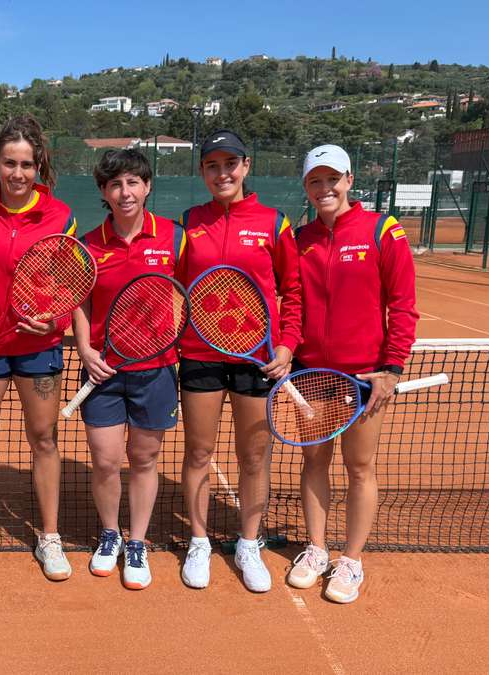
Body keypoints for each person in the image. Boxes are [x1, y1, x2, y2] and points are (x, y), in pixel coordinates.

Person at [287, 144, 418, 603]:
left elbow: (402, 305)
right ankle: (317, 548)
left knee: (360, 468)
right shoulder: (299, 239)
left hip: (365, 375)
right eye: (315, 181)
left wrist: (391, 368)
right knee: (314, 461)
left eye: (332, 179)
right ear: (307, 187)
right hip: (311, 372)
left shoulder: (383, 229)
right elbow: (292, 302)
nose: (325, 188)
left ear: (349, 179)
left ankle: (352, 560)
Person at [176, 129, 302, 592]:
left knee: (254, 456)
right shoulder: (189, 222)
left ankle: (249, 543)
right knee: (199, 453)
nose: (222, 172)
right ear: (203, 172)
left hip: (258, 358)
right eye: (212, 165)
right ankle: (198, 541)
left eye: (230, 164)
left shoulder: (274, 223)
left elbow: (294, 291)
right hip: (199, 355)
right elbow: (170, 285)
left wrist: (287, 345)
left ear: (246, 166)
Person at [0, 115, 76, 582]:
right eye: (10, 163)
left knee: (43, 439)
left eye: (27, 164)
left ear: (38, 165)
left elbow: (70, 280)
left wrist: (55, 319)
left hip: (38, 347)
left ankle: (48, 536)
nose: (18, 174)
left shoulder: (60, 214)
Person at [74, 149, 185, 590]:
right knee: (105, 461)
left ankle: (136, 541)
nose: (125, 192)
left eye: (133, 183)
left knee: (144, 459)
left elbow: (191, 291)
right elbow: (80, 299)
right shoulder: (88, 242)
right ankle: (109, 534)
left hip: (156, 369)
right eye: (115, 184)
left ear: (147, 186)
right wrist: (84, 348)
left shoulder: (174, 237)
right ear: (104, 191)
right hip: (102, 369)